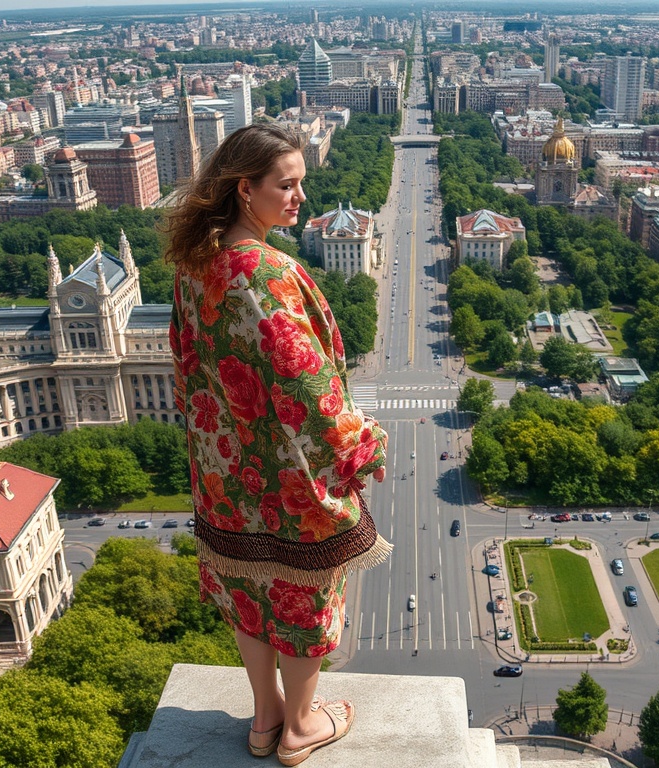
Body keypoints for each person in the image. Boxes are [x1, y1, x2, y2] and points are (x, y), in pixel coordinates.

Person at [167, 123, 391, 766]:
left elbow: (184, 359)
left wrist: (213, 440)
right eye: (286, 185)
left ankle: (264, 716)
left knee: (249, 593)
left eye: (300, 184)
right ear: (245, 189)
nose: (299, 198)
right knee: (300, 599)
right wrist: (358, 445)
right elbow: (307, 380)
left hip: (222, 466)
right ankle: (299, 726)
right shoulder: (268, 271)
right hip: (284, 472)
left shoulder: (196, 264)